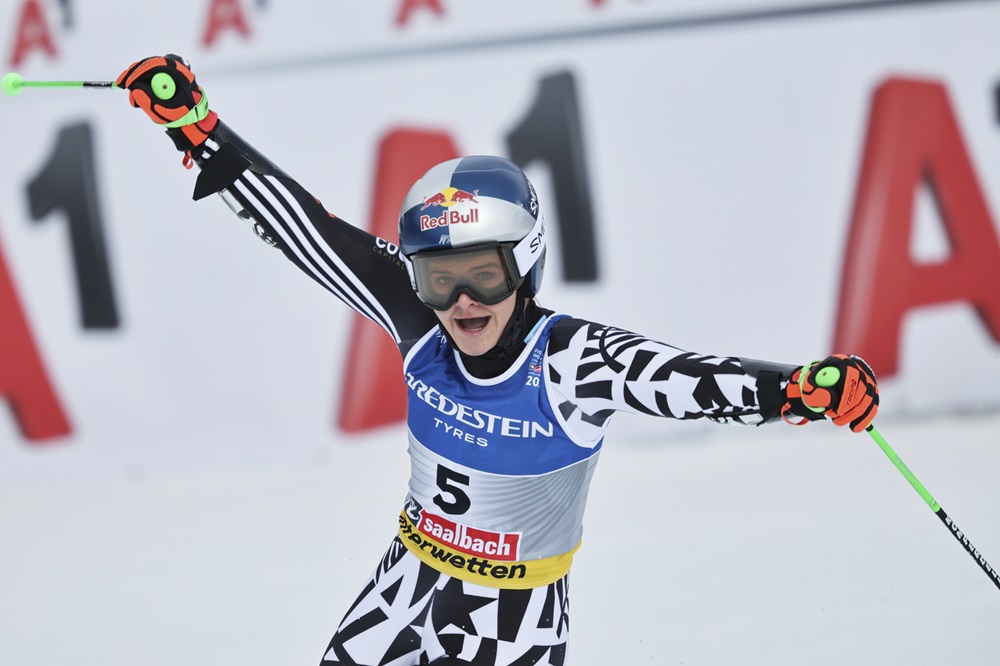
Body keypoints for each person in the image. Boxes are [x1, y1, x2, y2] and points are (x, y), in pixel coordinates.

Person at [116, 55, 879, 666]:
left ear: (528, 261)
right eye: (438, 278)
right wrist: (195, 126)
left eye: (485, 273)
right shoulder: (418, 320)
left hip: (513, 623)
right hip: (405, 585)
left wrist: (799, 391)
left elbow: (685, 379)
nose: (462, 303)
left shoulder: (574, 361)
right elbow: (306, 230)